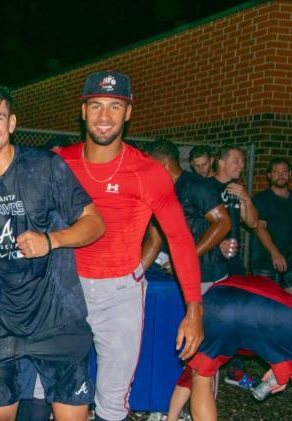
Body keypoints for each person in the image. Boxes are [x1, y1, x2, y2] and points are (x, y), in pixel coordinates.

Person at [0, 81, 105, 421]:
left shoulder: (45, 167)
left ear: (12, 123)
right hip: (3, 323)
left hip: (59, 321)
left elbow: (95, 222)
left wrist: (51, 240)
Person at [57, 71, 203, 421]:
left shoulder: (148, 171)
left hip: (119, 292)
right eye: (96, 106)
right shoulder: (59, 162)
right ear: (83, 110)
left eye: (114, 106)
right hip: (65, 289)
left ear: (128, 113)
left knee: (112, 401)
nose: (104, 116)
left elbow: (180, 238)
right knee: (54, 392)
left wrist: (195, 310)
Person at [146, 139, 232, 421]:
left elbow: (223, 222)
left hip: (208, 277)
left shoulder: (195, 185)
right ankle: (176, 410)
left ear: (162, 164)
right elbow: (158, 235)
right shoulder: (167, 190)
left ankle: (202, 409)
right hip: (187, 279)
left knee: (205, 354)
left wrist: (189, 256)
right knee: (189, 349)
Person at [187, 276, 292, 421]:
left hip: (217, 304)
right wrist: (284, 367)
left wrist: (282, 367)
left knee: (201, 377)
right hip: (265, 315)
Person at [210, 146, 259, 276]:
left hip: (233, 261)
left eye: (242, 161)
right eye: (236, 161)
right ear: (221, 162)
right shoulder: (206, 187)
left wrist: (247, 199)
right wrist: (217, 243)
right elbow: (193, 224)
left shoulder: (237, 189)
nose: (241, 165)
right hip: (210, 260)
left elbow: (253, 223)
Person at [251, 158, 292, 294]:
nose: (281, 175)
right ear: (269, 175)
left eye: (284, 172)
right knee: (268, 305)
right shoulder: (261, 199)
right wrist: (275, 253)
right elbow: (260, 227)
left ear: (290, 174)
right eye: (276, 172)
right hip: (266, 262)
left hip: (289, 262)